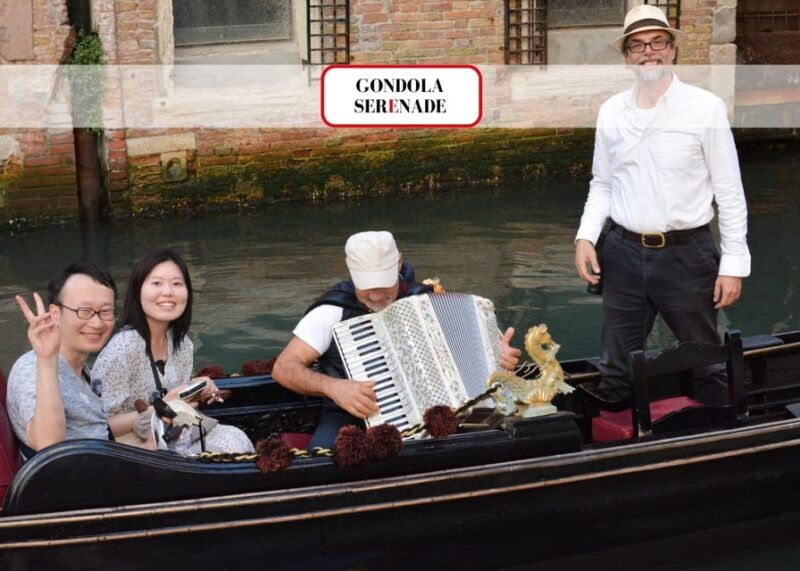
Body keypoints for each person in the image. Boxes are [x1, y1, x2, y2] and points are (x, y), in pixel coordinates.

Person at [573, 5, 751, 403]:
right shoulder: (611, 111)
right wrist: (585, 238)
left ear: (671, 50)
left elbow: (730, 192)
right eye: (637, 45)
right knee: (616, 367)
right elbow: (602, 184)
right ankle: (617, 447)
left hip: (688, 254)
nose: (647, 52)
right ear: (627, 57)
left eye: (656, 42)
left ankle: (721, 441)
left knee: (707, 363)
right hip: (621, 252)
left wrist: (734, 265)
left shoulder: (705, 108)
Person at [273, 231, 522, 449]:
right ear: (351, 271)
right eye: (367, 287)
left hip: (438, 412)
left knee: (497, 440)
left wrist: (498, 360)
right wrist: (334, 388)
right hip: (350, 414)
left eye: (383, 284)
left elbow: (473, 360)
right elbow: (284, 368)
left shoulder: (426, 301)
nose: (377, 295)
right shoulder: (332, 310)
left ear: (399, 262)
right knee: (324, 464)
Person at [92, 248, 254, 454]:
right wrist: (165, 406)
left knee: (235, 438)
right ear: (137, 291)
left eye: (177, 283)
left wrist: (195, 390)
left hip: (173, 435)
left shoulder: (183, 344)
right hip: (132, 450)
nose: (168, 292)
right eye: (156, 283)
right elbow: (101, 426)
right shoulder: (122, 347)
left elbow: (179, 409)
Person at [7, 262, 119, 455]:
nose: (97, 322)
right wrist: (47, 359)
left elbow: (95, 427)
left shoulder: (80, 368)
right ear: (55, 314)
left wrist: (145, 418)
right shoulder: (33, 367)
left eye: (105, 311)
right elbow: (49, 446)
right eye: (84, 311)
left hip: (103, 467)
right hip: (74, 481)